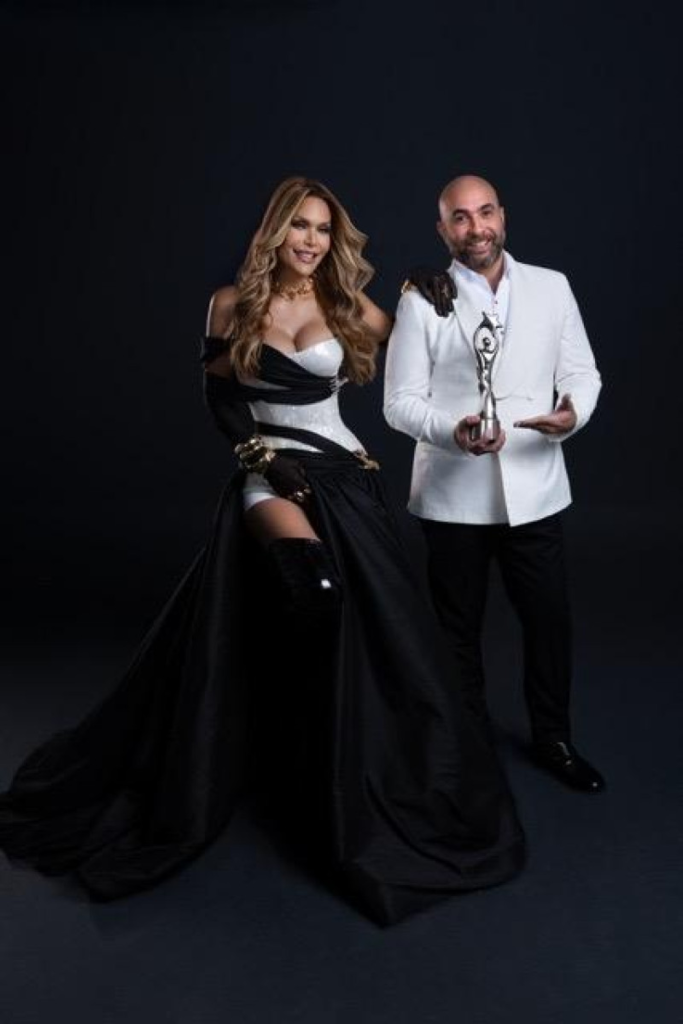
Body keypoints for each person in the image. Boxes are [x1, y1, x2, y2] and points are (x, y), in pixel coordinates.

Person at [0, 177, 524, 926]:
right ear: (275, 233)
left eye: (322, 229)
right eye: (298, 227)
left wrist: (419, 285)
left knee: (370, 628)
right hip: (268, 473)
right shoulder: (230, 303)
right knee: (312, 588)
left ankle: (331, 765)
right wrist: (259, 456)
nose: (310, 241)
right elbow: (220, 398)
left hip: (343, 473)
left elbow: (429, 349)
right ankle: (270, 752)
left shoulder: (349, 306)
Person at [384, 174, 604, 793]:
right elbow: (398, 403)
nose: (475, 227)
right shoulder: (421, 299)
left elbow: (583, 373)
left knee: (549, 622)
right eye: (460, 217)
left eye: (485, 213)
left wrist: (571, 414)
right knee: (456, 630)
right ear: (442, 230)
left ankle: (554, 738)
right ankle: (469, 744)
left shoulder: (552, 287)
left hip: (535, 485)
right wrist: (452, 431)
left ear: (503, 217)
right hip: (453, 494)